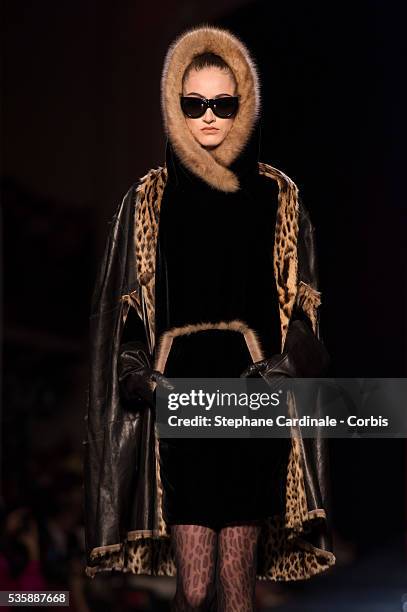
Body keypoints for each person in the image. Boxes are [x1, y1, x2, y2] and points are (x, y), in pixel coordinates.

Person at [83, 24, 336, 611]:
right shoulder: (148, 198)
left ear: (242, 104)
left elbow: (306, 304)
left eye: (224, 104)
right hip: (181, 396)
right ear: (175, 105)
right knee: (193, 590)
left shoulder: (278, 195)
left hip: (250, 394)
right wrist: (139, 375)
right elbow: (125, 313)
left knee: (236, 589)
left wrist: (286, 363)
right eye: (193, 104)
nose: (209, 118)